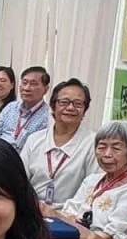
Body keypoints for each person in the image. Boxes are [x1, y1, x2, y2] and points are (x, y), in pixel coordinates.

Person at [56, 120, 127, 239]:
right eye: (102, 147)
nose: (107, 154)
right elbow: (69, 212)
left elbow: (111, 236)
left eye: (116, 148)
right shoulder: (91, 180)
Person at [21, 78, 98, 207]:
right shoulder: (34, 139)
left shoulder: (93, 143)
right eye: (64, 102)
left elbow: (92, 188)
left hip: (70, 215)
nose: (70, 107)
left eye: (78, 104)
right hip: (32, 209)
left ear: (84, 110)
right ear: (53, 106)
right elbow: (19, 179)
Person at [0, 66, 50, 152]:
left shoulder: (47, 116)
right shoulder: (10, 107)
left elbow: (37, 150)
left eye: (33, 84)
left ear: (46, 90)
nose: (26, 88)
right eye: (24, 83)